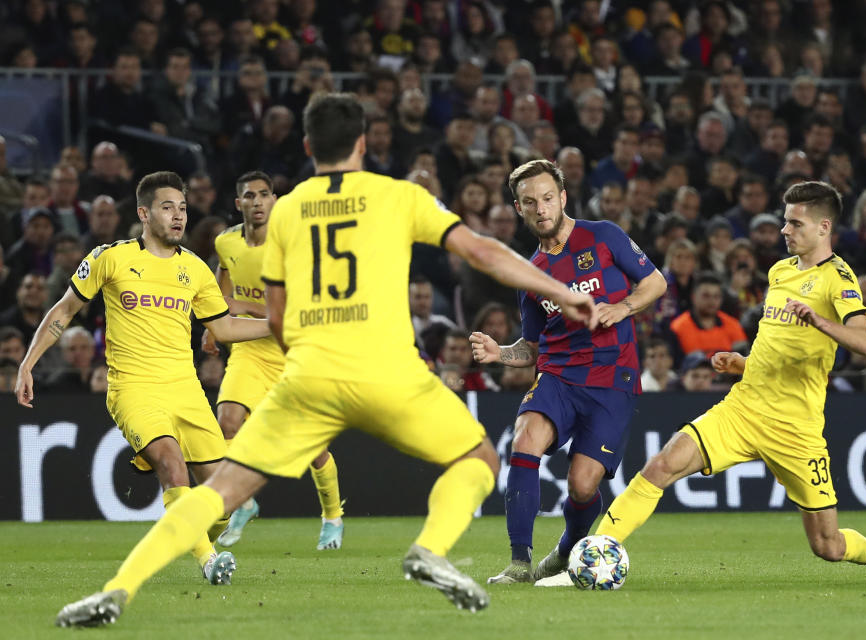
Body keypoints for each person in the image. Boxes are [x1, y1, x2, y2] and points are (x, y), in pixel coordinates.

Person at [54, 93, 599, 626]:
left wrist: (299, 374)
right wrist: (561, 289)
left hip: (310, 375)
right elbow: (481, 249)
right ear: (362, 141)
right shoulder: (399, 196)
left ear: (310, 143)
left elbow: (278, 313)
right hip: (389, 370)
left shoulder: (285, 213)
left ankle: (116, 590)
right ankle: (430, 549)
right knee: (479, 459)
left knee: (220, 491)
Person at [596, 181, 866, 584]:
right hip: (744, 408)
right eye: (784, 221)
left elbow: (865, 341)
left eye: (795, 223)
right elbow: (775, 342)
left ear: (823, 227)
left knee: (827, 546)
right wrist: (743, 363)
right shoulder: (779, 272)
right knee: (661, 465)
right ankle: (597, 552)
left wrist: (819, 321)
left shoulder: (839, 279)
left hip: (795, 428)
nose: (784, 230)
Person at [18, 171, 276, 607]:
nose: (178, 216)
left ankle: (194, 536)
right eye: (168, 207)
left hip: (187, 391)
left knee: (223, 501)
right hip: (134, 389)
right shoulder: (110, 258)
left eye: (183, 208)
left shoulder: (194, 268)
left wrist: (278, 325)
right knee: (172, 467)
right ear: (144, 213)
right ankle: (210, 560)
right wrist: (28, 364)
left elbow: (225, 327)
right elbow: (64, 310)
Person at [470, 159, 667, 585]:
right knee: (525, 439)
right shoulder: (530, 275)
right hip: (558, 376)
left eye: (546, 198)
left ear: (561, 197)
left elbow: (656, 283)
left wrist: (623, 307)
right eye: (529, 202)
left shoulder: (604, 236)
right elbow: (533, 347)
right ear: (519, 209)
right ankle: (520, 563)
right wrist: (499, 353)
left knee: (581, 486)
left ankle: (564, 552)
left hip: (613, 380)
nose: (540, 208)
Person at [202, 171, 345, 550]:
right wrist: (214, 322)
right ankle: (243, 501)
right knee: (227, 422)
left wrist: (241, 307)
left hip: (292, 351)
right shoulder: (226, 241)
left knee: (313, 449)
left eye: (265, 194)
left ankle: (332, 516)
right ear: (239, 204)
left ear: (275, 200)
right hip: (250, 349)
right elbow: (224, 274)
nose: (258, 202)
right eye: (250, 195)